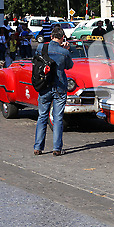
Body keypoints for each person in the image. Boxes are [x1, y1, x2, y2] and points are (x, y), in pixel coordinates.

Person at [34, 26, 74, 156]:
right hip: (59, 87)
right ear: (62, 38)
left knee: (42, 117)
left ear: (51, 36)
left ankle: (38, 147)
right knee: (57, 118)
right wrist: (66, 49)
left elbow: (35, 60)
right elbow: (69, 66)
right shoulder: (64, 52)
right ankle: (57, 148)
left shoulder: (41, 47)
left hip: (44, 86)